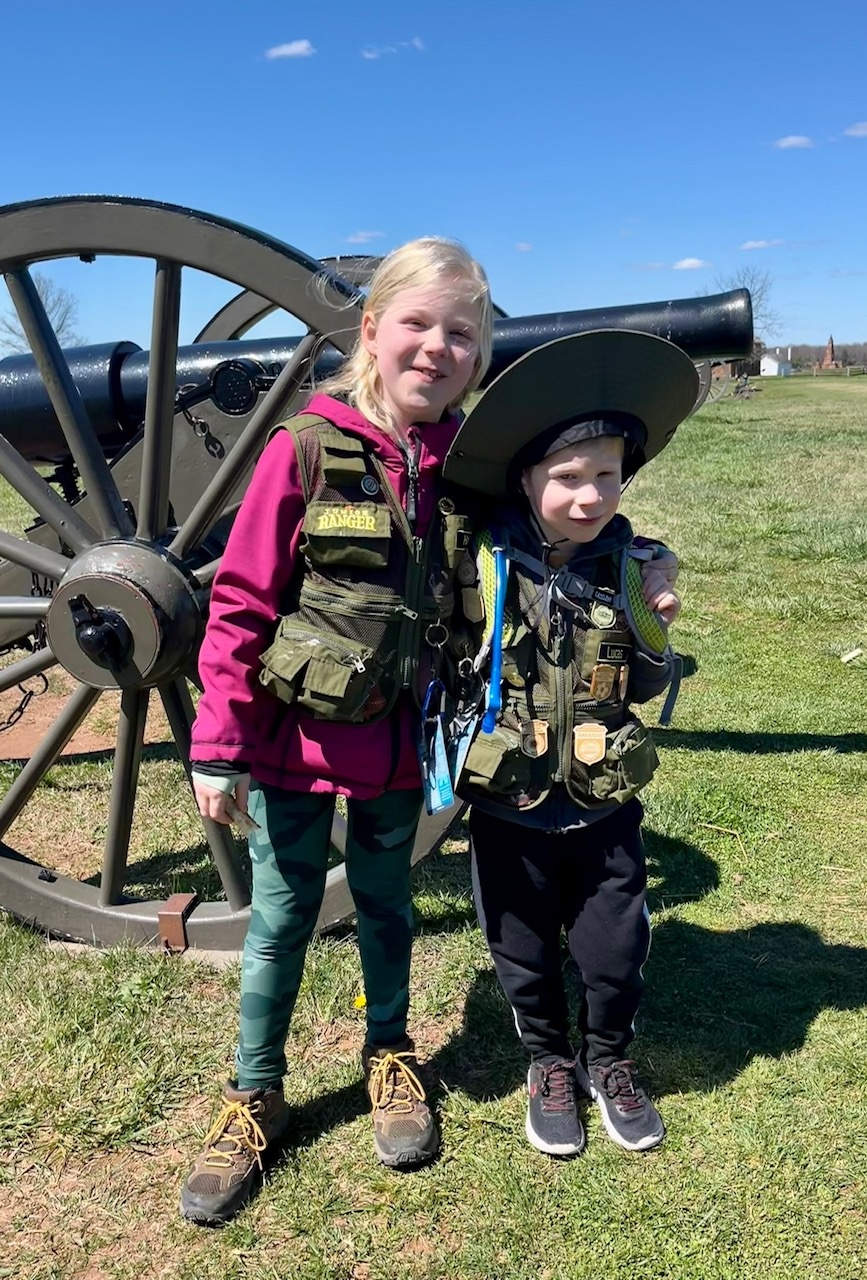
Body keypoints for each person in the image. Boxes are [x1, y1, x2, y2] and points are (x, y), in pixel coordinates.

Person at [179, 237, 494, 1225]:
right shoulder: (304, 450)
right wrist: (219, 743)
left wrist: (641, 564)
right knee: (279, 920)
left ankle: (390, 1055)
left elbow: (564, 527)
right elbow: (238, 602)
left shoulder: (471, 466)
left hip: (401, 748)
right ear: (371, 332)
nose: (437, 348)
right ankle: (254, 1091)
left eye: (461, 333)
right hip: (294, 746)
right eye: (417, 323)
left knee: (387, 903)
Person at [443, 329, 698, 1158]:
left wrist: (653, 616)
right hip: (509, 801)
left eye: (606, 477)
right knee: (519, 946)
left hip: (603, 803)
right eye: (568, 478)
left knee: (614, 946)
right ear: (527, 479)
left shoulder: (629, 564)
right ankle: (549, 1064)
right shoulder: (480, 561)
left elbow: (648, 686)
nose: (589, 497)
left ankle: (609, 1062)